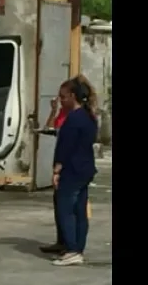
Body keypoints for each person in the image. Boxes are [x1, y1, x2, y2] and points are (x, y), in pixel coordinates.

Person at [39, 75, 98, 255]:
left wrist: (57, 170)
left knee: (66, 210)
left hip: (72, 169)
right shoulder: (90, 117)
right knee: (80, 210)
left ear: (73, 96)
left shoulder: (73, 119)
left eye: (63, 97)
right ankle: (77, 249)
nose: (61, 101)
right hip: (85, 168)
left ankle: (71, 249)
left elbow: (66, 146)